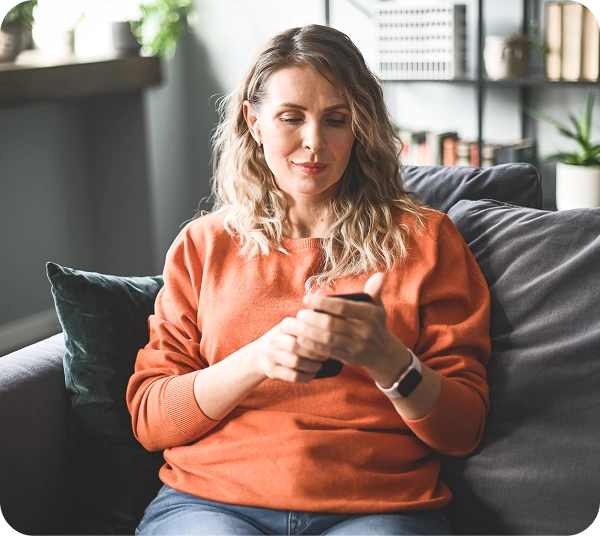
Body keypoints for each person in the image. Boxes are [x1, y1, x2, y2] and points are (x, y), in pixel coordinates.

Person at [127, 24, 491, 536]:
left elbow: (463, 429)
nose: (314, 143)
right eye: (290, 118)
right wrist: (259, 357)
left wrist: (388, 359)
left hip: (377, 507)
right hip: (213, 504)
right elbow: (151, 418)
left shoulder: (426, 241)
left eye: (336, 120)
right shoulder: (203, 246)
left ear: (360, 127)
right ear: (254, 122)